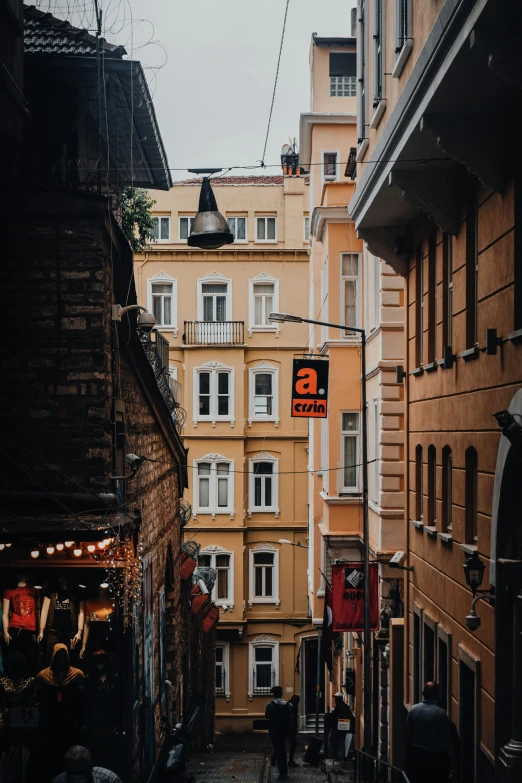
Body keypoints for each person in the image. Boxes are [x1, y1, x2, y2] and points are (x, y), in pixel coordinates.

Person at [405, 682, 459, 783]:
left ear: (423, 693)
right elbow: (447, 740)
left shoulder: (413, 710)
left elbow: (408, 735)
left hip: (417, 757)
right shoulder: (441, 714)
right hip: (435, 759)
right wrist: (454, 762)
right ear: (437, 695)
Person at [53, 745, 122, 783]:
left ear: (90, 765)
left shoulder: (108, 778)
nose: (78, 779)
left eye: (81, 773)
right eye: (73, 774)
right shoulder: (59, 781)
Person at [265, 686, 292, 778]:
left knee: (278, 748)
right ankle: (282, 769)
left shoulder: (270, 705)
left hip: (274, 730)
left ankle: (281, 769)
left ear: (274, 695)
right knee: (282, 748)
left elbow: (267, 716)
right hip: (284, 730)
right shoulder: (287, 704)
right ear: (281, 694)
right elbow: (290, 718)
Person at [329, 692, 354, 761]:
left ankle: (337, 755)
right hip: (340, 727)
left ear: (339, 699)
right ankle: (340, 755)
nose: (335, 699)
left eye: (336, 698)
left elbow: (337, 717)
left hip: (339, 727)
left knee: (336, 741)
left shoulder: (340, 706)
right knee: (340, 741)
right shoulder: (343, 706)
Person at [287, 694, 300, 767]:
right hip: (286, 728)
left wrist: (296, 728)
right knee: (281, 744)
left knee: (293, 744)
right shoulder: (287, 706)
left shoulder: (295, 707)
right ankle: (274, 758)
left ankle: (290, 760)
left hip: (292, 729)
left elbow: (295, 718)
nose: (297, 703)